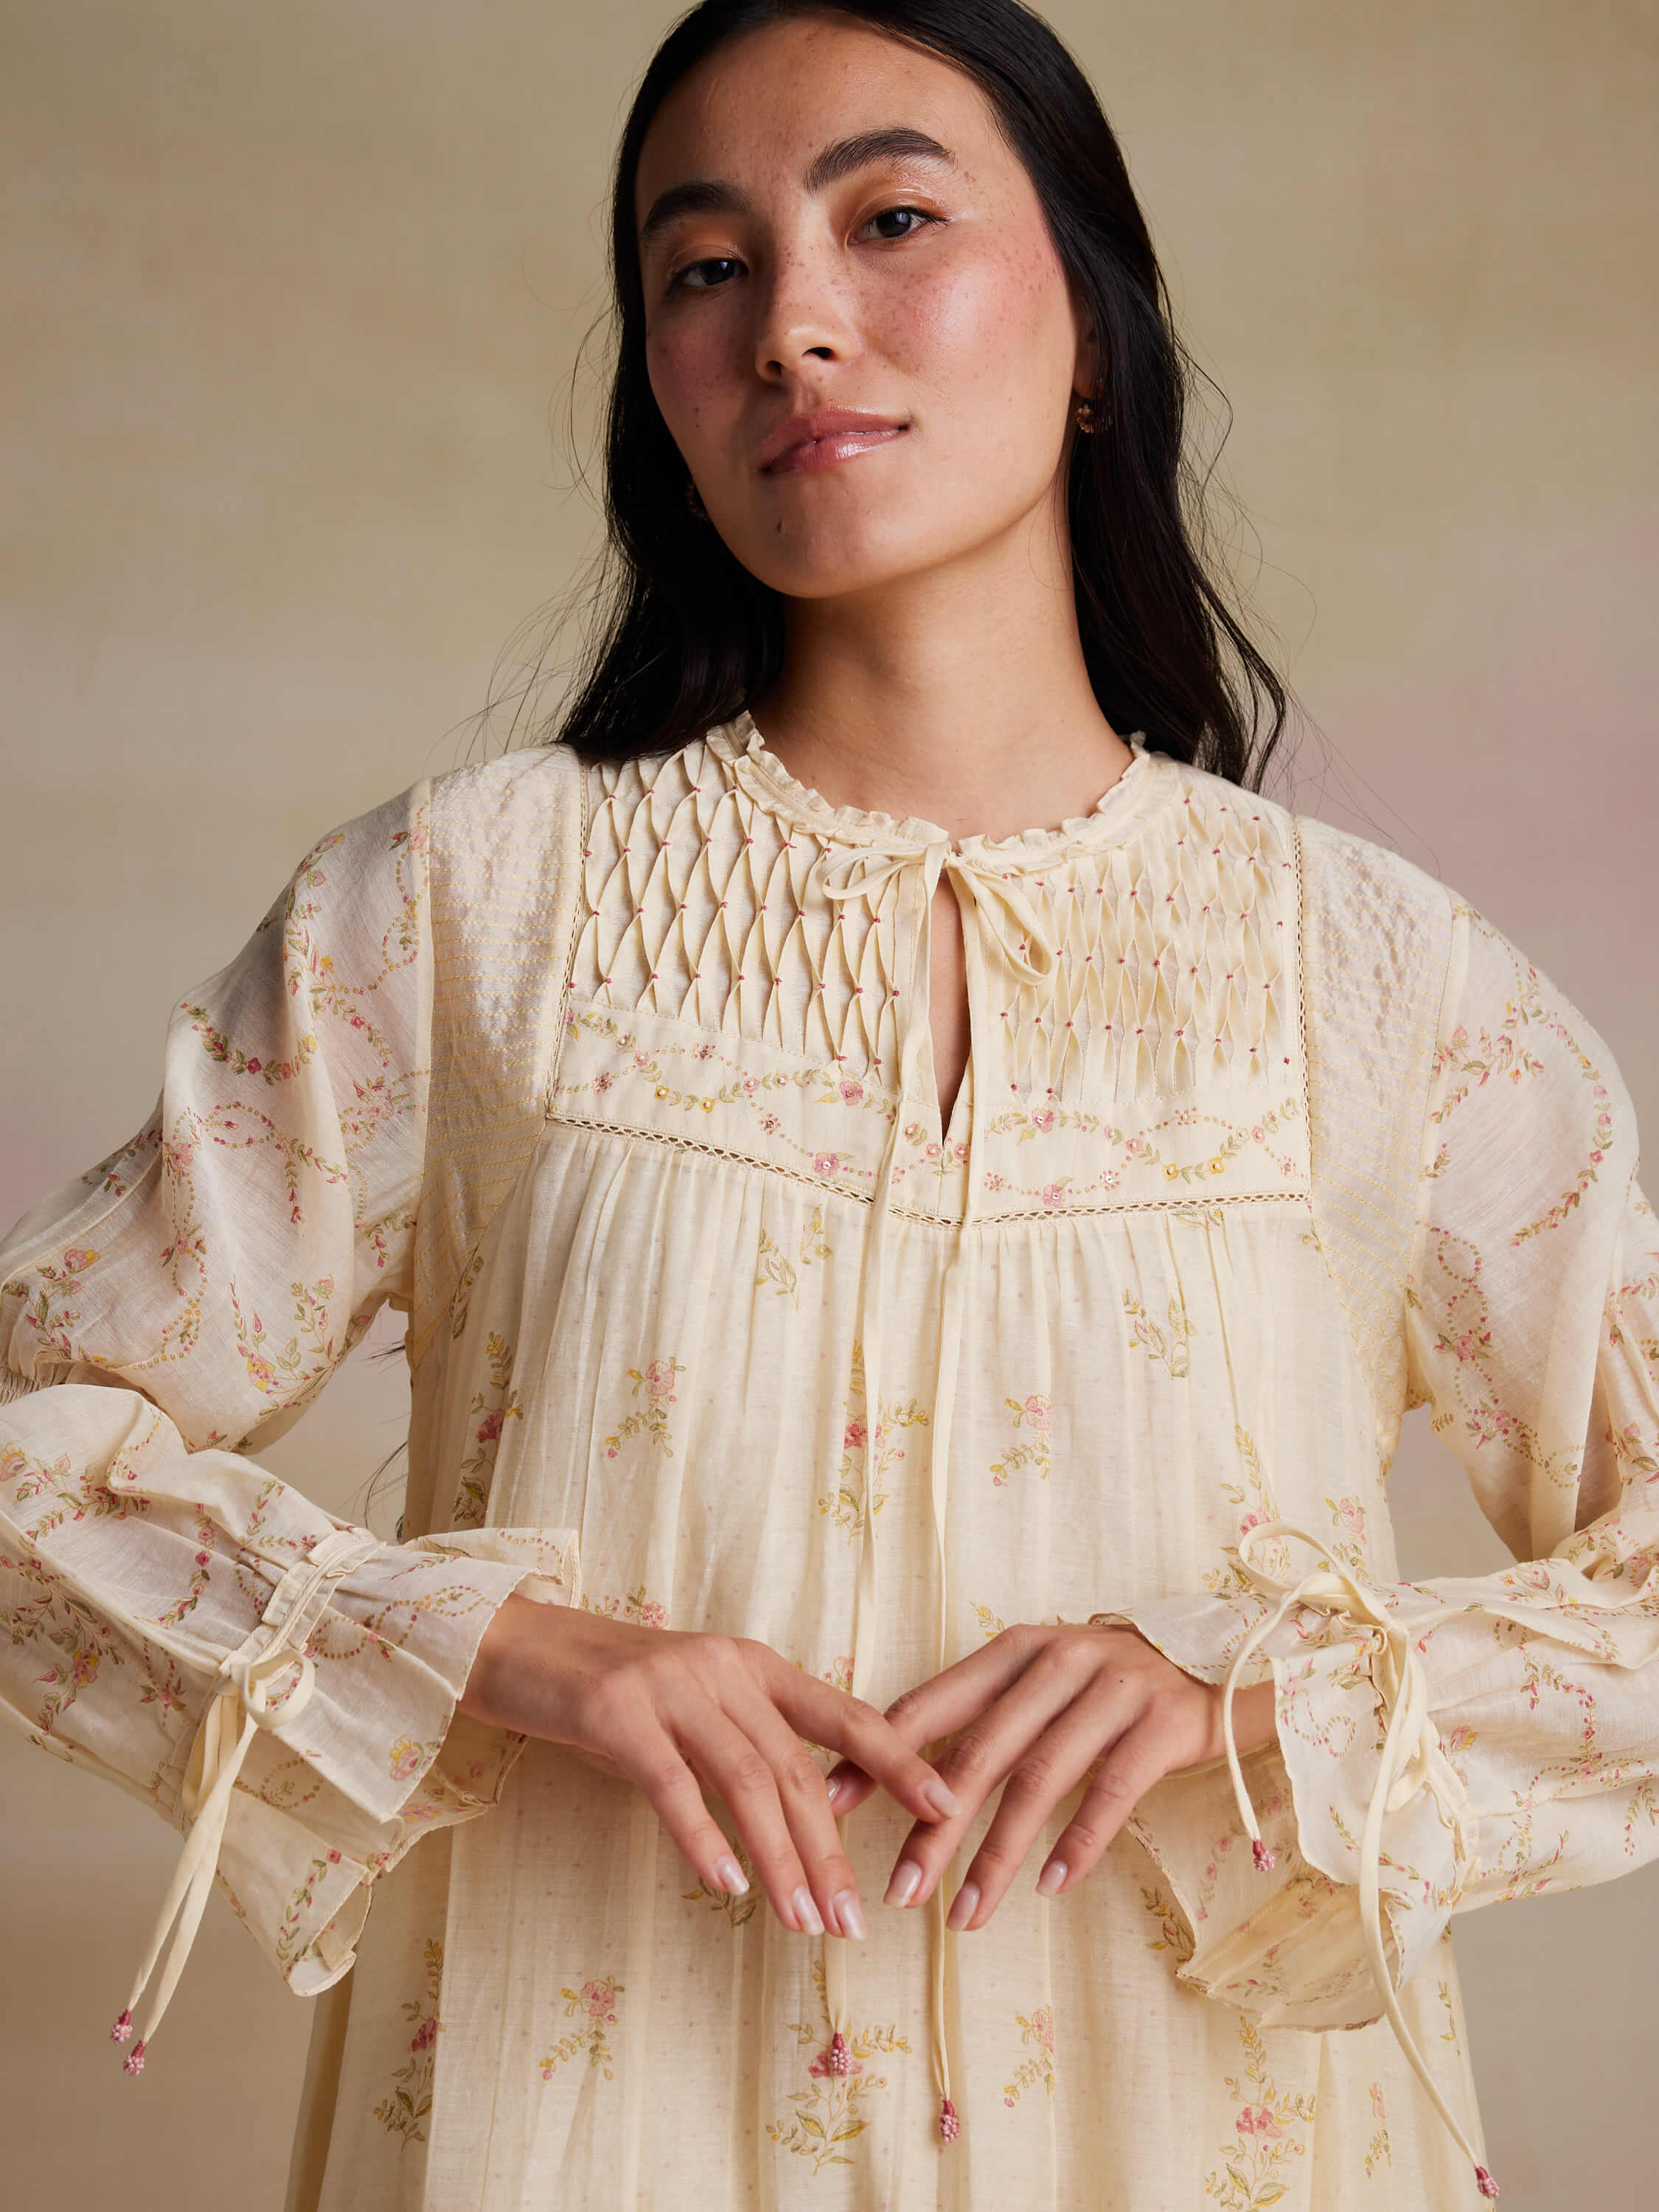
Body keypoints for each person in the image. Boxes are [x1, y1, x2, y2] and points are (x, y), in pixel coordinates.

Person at [4, 3, 1655, 2205]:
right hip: (583, 2127)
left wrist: (1252, 1691)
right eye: (702, 267)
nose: (791, 325)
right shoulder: (468, 913)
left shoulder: (1380, 986)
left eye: (888, 220)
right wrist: (493, 1644)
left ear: (1087, 317)